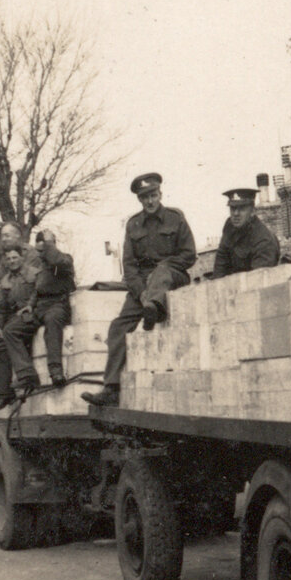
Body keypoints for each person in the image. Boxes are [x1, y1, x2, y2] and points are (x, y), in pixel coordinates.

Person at [82, 172, 196, 407]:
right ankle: (111, 388)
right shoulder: (133, 225)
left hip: (172, 276)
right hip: (144, 286)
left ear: (160, 194)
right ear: (139, 200)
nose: (150, 201)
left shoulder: (176, 218)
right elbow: (130, 266)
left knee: (162, 271)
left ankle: (152, 307)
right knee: (117, 327)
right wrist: (142, 292)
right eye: (145, 198)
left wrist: (163, 272)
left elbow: (189, 254)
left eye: (153, 195)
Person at [2, 228, 75, 392]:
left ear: (52, 246)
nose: (41, 255)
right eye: (38, 251)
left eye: (44, 250)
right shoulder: (41, 267)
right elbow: (38, 289)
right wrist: (30, 305)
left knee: (52, 322)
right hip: (39, 307)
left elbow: (57, 262)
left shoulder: (63, 262)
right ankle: (27, 375)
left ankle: (56, 372)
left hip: (57, 304)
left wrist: (49, 243)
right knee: (11, 330)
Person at [0, 246, 37, 407]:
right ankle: (4, 393)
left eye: (14, 257)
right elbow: (1, 309)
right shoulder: (6, 281)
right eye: (8, 259)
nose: (12, 261)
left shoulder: (34, 273)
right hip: (17, 318)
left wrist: (30, 305)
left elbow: (39, 293)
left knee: (10, 331)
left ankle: (27, 375)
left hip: (34, 314)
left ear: (21, 257)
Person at [212, 188, 280, 278]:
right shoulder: (230, 226)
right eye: (233, 208)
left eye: (242, 209)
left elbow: (258, 280)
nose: (236, 213)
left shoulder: (264, 241)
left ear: (253, 211)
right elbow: (221, 262)